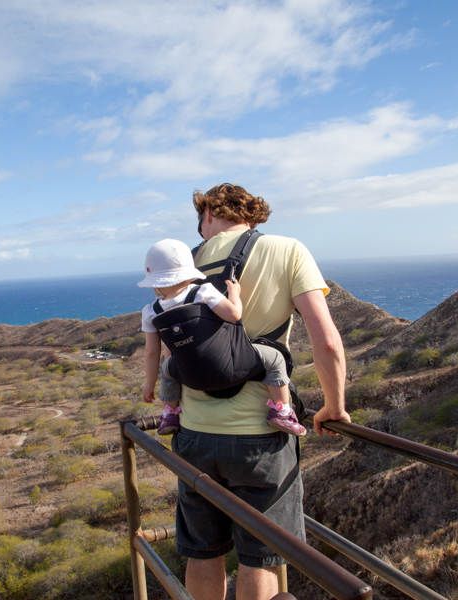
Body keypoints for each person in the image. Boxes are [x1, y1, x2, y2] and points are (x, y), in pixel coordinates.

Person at [171, 183, 351, 600]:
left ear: (211, 212)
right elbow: (326, 341)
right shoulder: (288, 250)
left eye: (200, 221)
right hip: (260, 437)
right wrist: (335, 406)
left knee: (202, 553)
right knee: (261, 555)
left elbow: (173, 349)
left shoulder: (188, 265)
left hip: (195, 434)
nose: (200, 231)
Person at [138, 239, 306, 437]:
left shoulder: (150, 312)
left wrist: (149, 383)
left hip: (190, 377)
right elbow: (234, 314)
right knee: (276, 358)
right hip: (228, 365)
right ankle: (282, 411)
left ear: (155, 281)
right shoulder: (203, 291)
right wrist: (234, 293)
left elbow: (151, 351)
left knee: (167, 372)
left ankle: (170, 414)